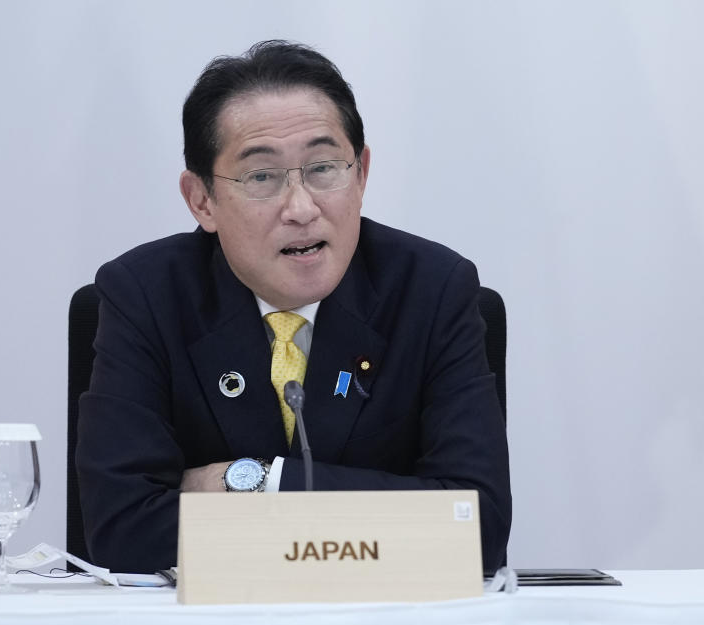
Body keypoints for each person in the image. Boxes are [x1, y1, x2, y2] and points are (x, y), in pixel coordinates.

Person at [76, 40, 511, 574]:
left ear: (362, 174)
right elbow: (124, 531)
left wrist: (257, 482)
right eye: (262, 177)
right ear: (202, 200)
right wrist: (391, 515)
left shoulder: (433, 290)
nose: (302, 208)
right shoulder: (145, 295)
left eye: (324, 167)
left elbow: (476, 528)